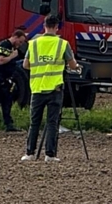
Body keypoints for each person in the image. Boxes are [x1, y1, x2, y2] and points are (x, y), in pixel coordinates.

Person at [21, 15, 81, 162]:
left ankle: (29, 153)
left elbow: (25, 65)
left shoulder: (34, 43)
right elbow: (72, 65)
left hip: (37, 88)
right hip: (55, 89)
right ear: (57, 27)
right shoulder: (62, 44)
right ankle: (50, 154)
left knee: (34, 122)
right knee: (52, 123)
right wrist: (76, 66)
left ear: (44, 26)